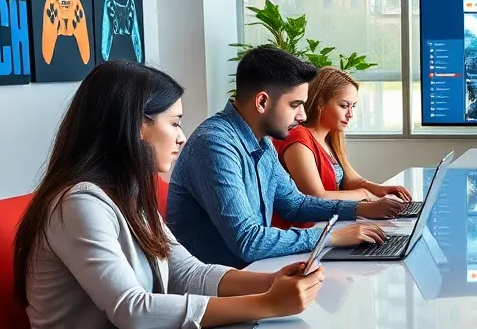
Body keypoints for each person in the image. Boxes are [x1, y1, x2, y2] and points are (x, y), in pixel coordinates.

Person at [14, 61, 358, 329]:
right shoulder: (79, 204)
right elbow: (133, 310)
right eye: (174, 123)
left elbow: (187, 272)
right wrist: (265, 304)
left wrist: (270, 282)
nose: (181, 136)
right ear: (137, 127)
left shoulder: (129, 195)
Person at [168, 46, 400, 269]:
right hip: (218, 291)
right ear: (262, 102)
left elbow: (295, 204)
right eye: (295, 105)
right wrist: (330, 236)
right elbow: (247, 241)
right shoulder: (215, 144)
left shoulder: (262, 143)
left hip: (253, 273)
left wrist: (360, 209)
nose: (302, 115)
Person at [273, 67, 411, 228]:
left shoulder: (330, 137)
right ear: (320, 102)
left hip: (328, 226)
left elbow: (350, 179)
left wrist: (379, 189)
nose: (350, 114)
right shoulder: (298, 138)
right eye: (344, 105)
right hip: (304, 234)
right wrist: (366, 195)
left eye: (353, 106)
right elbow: (316, 197)